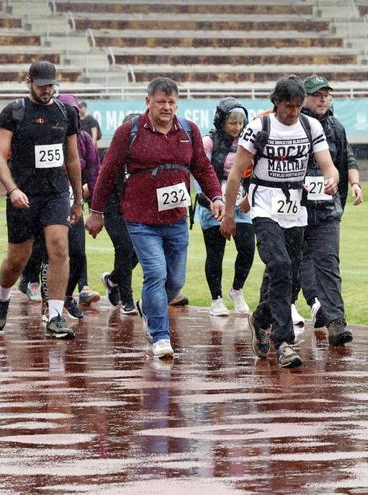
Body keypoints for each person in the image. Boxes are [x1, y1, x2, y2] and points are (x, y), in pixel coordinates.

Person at [86, 77, 225, 359]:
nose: (166, 107)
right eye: (161, 101)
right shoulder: (130, 131)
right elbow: (108, 171)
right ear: (148, 102)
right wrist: (96, 212)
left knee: (175, 281)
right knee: (156, 274)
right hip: (140, 219)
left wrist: (216, 196)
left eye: (172, 102)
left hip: (175, 219)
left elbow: (202, 167)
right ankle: (160, 336)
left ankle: (149, 306)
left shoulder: (189, 130)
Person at [221, 75, 340, 368]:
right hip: (264, 206)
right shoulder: (258, 128)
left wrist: (331, 179)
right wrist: (229, 213)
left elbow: (328, 165)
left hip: (295, 208)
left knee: (293, 275)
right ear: (275, 103)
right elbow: (236, 173)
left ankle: (260, 319)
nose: (294, 112)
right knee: (279, 265)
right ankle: (284, 341)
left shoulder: (310, 127)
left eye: (298, 106)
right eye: (289, 107)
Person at [0, 60, 82, 339]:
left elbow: (73, 158)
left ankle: (55, 315)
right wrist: (12, 189)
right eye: (41, 85)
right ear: (29, 82)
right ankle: (2, 294)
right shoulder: (14, 112)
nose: (46, 90)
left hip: (55, 192)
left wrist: (77, 198)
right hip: (23, 194)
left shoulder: (66, 112)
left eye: (51, 85)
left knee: (59, 248)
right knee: (18, 260)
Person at [290, 74, 363, 344]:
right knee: (289, 264)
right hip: (292, 210)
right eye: (316, 95)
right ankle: (275, 314)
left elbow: (345, 160)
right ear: (303, 98)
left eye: (325, 95)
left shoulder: (336, 127)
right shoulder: (290, 125)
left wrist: (351, 186)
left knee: (329, 264)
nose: (322, 99)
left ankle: (335, 322)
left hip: (326, 211)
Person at [196, 97, 254, 317]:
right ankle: (216, 299)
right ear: (221, 122)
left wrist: (250, 195)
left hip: (240, 204)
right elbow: (200, 172)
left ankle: (237, 290)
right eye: (232, 123)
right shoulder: (208, 143)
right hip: (213, 203)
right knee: (215, 253)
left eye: (240, 123)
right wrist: (210, 199)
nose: (237, 128)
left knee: (248, 248)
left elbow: (255, 170)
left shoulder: (248, 142)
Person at [100, 112, 140, 315]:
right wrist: (96, 211)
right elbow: (103, 181)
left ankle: (113, 279)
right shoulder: (112, 153)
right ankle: (127, 298)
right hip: (113, 209)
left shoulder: (146, 154)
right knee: (124, 248)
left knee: (139, 252)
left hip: (137, 210)